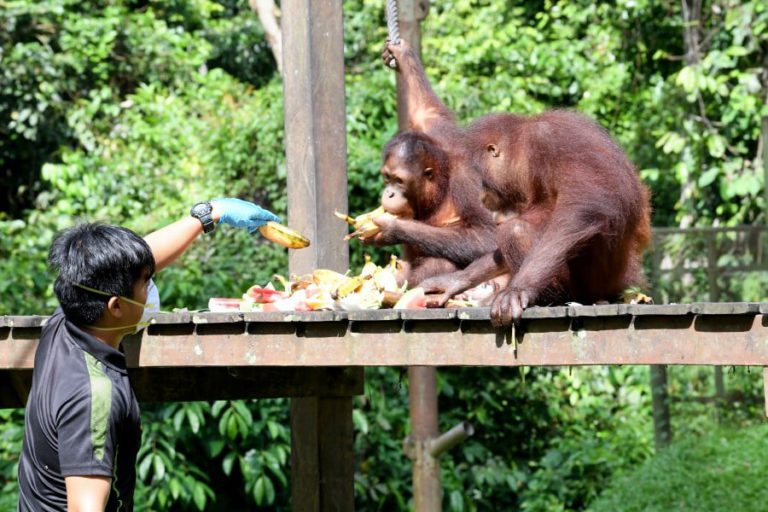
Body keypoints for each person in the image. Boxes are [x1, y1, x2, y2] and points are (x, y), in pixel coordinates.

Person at [17, 198, 279, 512]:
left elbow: (135, 262)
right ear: (115, 307)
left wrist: (209, 215)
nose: (151, 288)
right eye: (145, 283)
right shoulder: (94, 396)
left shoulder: (65, 322)